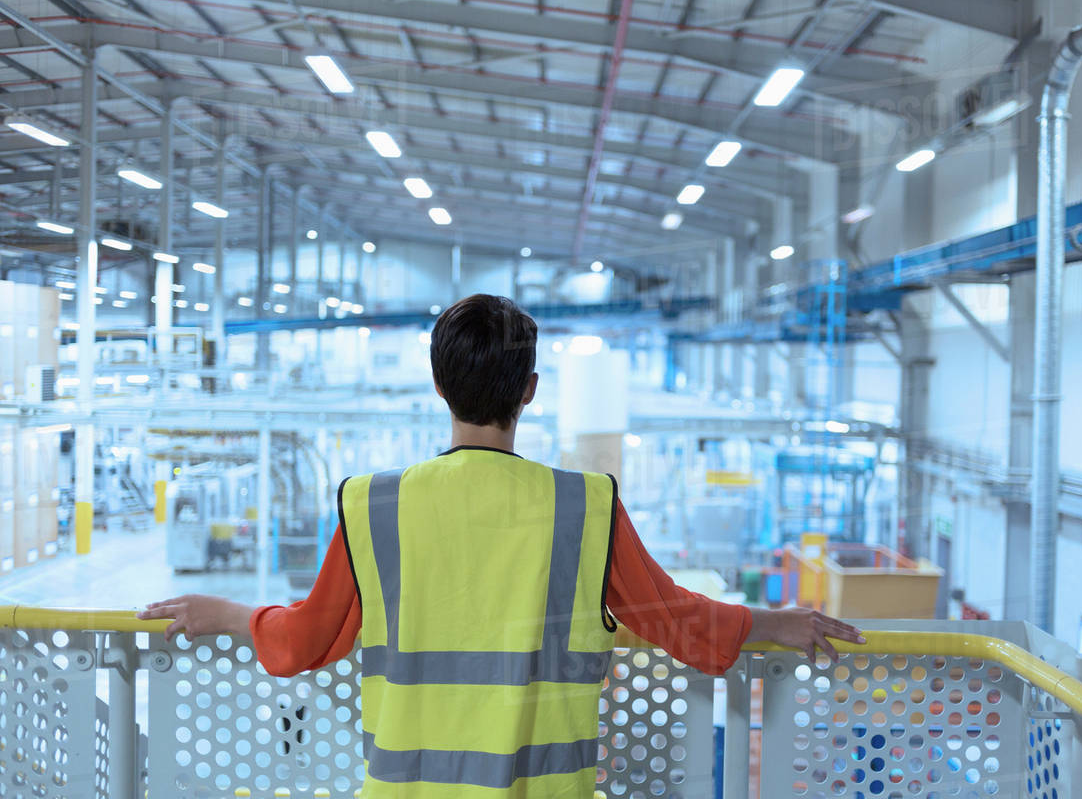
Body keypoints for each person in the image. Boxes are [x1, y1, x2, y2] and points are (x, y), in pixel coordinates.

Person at [139, 293, 865, 797]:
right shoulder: (586, 505)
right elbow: (677, 622)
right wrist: (778, 623)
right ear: (530, 391)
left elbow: (306, 641)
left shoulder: (372, 505)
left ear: (437, 384)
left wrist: (225, 613)